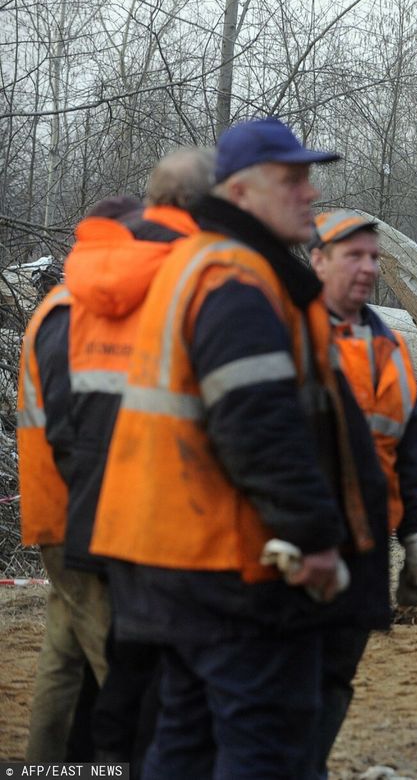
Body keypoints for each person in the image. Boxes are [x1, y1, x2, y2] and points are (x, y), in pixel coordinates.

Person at [89, 117, 391, 778]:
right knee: (264, 750)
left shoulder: (203, 264)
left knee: (187, 747)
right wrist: (314, 537)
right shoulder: (238, 279)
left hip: (180, 567)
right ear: (242, 193)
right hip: (233, 575)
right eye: (292, 179)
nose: (309, 193)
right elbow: (256, 423)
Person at [19, 150, 213, 765]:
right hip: (82, 515)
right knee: (117, 660)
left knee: (64, 655)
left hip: (65, 511)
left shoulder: (63, 309)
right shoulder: (73, 314)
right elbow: (79, 429)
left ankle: (48, 764)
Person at [307, 210, 417, 776]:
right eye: (351, 255)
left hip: (367, 542)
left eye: (374, 257)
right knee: (285, 677)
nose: (367, 268)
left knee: (337, 674)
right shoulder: (287, 337)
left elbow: (408, 451)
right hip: (298, 545)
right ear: (317, 261)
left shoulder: (391, 348)